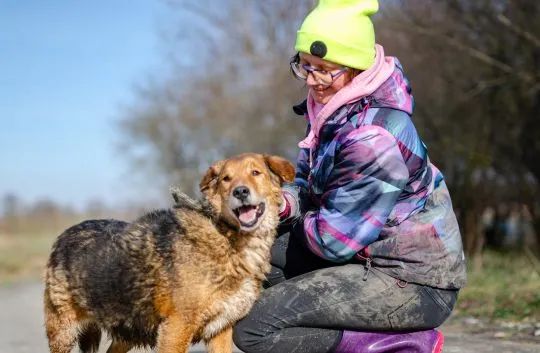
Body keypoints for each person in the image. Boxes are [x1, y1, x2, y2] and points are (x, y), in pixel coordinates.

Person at [232, 0, 467, 352]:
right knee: (252, 261)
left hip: (413, 282)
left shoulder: (372, 138)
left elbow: (334, 241)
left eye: (325, 69)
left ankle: (404, 343)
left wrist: (292, 219)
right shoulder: (329, 114)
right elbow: (307, 188)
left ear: (355, 67)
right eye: (305, 66)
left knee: (254, 329)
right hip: (365, 256)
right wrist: (279, 204)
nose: (312, 80)